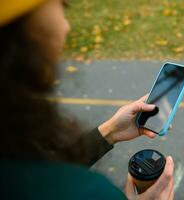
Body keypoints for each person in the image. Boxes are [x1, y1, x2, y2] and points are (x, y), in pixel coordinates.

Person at [0, 0, 174, 199]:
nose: (66, 27)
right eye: (63, 5)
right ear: (20, 30)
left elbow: (49, 165)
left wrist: (109, 131)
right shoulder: (90, 192)